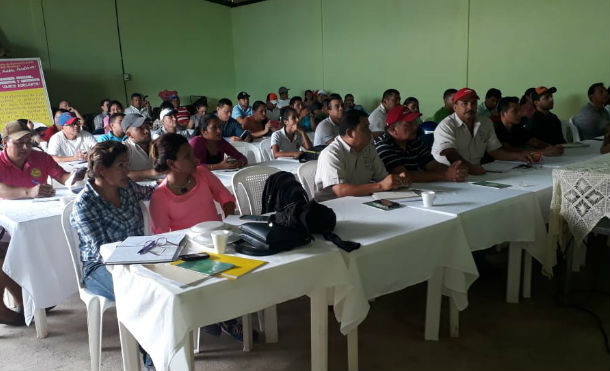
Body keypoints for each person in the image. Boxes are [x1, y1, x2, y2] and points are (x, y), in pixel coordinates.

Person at [70, 141, 155, 369]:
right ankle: (151, 362)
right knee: (140, 296)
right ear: (100, 170)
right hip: (100, 268)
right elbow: (103, 252)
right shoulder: (85, 206)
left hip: (138, 259)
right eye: (120, 165)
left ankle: (165, 348)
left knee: (164, 287)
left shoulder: (127, 188)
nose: (127, 171)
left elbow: (154, 191)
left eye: (126, 164)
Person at [0, 121, 83, 326]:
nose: (26, 148)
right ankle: (2, 309)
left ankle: (27, 299)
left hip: (32, 220)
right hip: (4, 221)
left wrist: (74, 178)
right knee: (3, 253)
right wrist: (28, 192)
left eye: (29, 142)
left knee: (53, 241)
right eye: (20, 143)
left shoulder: (40, 157)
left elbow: (61, 176)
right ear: (5, 143)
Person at [314, 109, 409, 202]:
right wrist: (381, 186)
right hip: (334, 207)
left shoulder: (368, 148)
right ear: (350, 133)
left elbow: (383, 178)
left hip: (360, 201)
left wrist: (397, 181)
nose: (370, 132)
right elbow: (339, 190)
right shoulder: (331, 153)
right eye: (365, 128)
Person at [432, 88, 532, 175]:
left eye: (473, 103)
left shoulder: (485, 123)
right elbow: (449, 153)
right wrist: (470, 168)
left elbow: (495, 151)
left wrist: (518, 157)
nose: (470, 107)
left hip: (477, 171)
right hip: (450, 173)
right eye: (465, 104)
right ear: (455, 107)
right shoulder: (446, 126)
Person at [149, 133, 236, 232]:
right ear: (171, 164)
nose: (196, 159)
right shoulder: (159, 198)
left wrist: (229, 226)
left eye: (193, 154)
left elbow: (226, 199)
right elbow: (162, 237)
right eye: (187, 156)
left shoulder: (202, 173)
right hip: (187, 246)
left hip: (215, 240)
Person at [374, 105, 468, 182]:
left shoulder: (414, 141)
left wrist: (454, 171)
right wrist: (445, 175)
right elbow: (403, 175)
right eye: (409, 124)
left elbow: (432, 165)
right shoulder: (383, 145)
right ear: (393, 130)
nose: (415, 127)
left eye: (414, 122)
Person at [494, 97, 564, 156]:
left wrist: (552, 147)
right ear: (503, 113)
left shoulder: (517, 127)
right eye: (515, 111)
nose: (519, 114)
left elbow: (536, 142)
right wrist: (543, 152)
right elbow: (509, 151)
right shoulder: (496, 129)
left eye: (520, 110)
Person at [121, 114, 160, 180]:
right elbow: (123, 174)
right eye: (140, 128)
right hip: (139, 189)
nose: (147, 131)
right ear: (129, 135)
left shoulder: (157, 143)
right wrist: (152, 173)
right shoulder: (124, 149)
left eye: (147, 126)